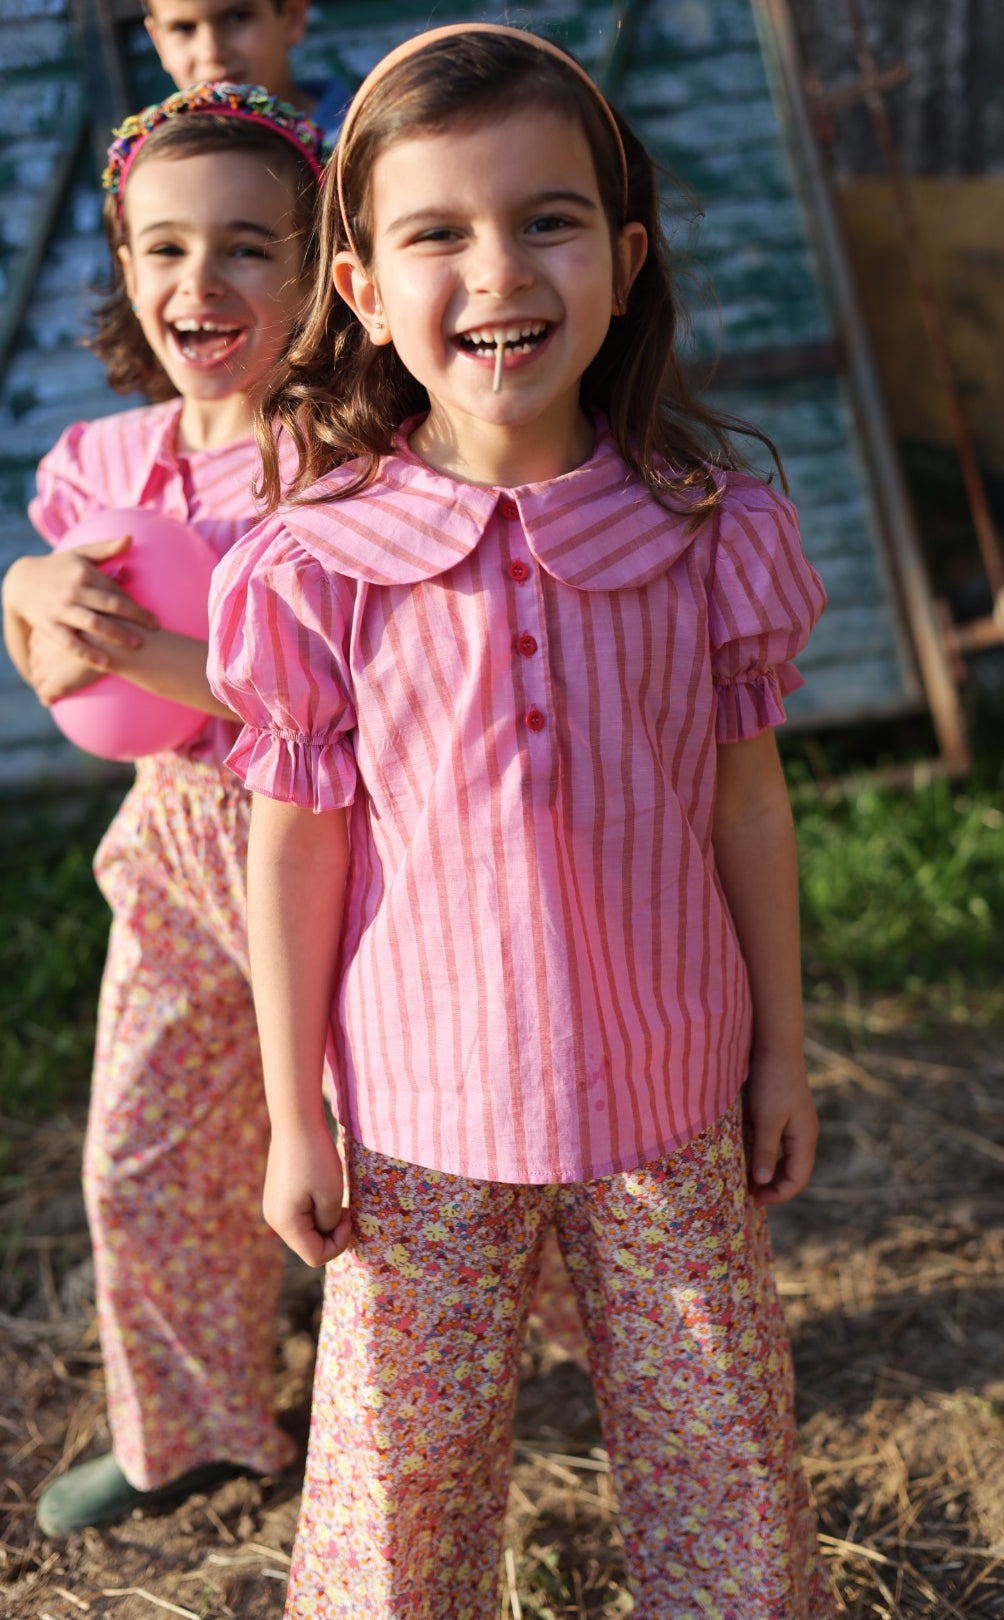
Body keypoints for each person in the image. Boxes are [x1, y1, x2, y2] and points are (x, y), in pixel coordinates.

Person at [208, 24, 834, 1619]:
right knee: (397, 1509)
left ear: (623, 261)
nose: (500, 270)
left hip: (669, 1100)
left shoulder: (709, 539)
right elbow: (296, 845)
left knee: (728, 1477)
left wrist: (778, 1050)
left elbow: (743, 801)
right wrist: (296, 1113)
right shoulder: (322, 565)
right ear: (360, 286)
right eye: (438, 232)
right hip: (417, 1124)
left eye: (547, 219)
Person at [2, 82, 329, 1537]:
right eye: (166, 251)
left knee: (388, 1148)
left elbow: (353, 704)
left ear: (324, 265)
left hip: (330, 852)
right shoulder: (105, 461)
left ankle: (530, 1342)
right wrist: (25, 597)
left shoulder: (346, 462)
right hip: (172, 851)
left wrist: (166, 661)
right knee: (140, 1155)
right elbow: (59, 662)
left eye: (250, 247)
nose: (203, 283)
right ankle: (194, 1428)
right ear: (128, 269)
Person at [142, 0, 352, 138]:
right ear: (159, 43)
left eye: (237, 17)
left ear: (292, 18)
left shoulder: (361, 141)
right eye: (183, 28)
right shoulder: (153, 172)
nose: (211, 53)